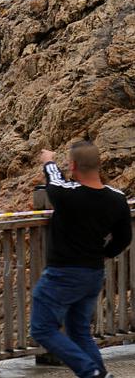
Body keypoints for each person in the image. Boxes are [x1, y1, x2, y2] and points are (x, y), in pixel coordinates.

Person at [30, 142, 132, 378]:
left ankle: (91, 372)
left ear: (73, 166)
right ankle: (100, 374)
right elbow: (124, 238)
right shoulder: (117, 199)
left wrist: (49, 160)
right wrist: (105, 253)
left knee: (42, 328)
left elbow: (54, 180)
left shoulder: (67, 195)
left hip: (63, 274)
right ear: (99, 165)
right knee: (79, 332)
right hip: (93, 273)